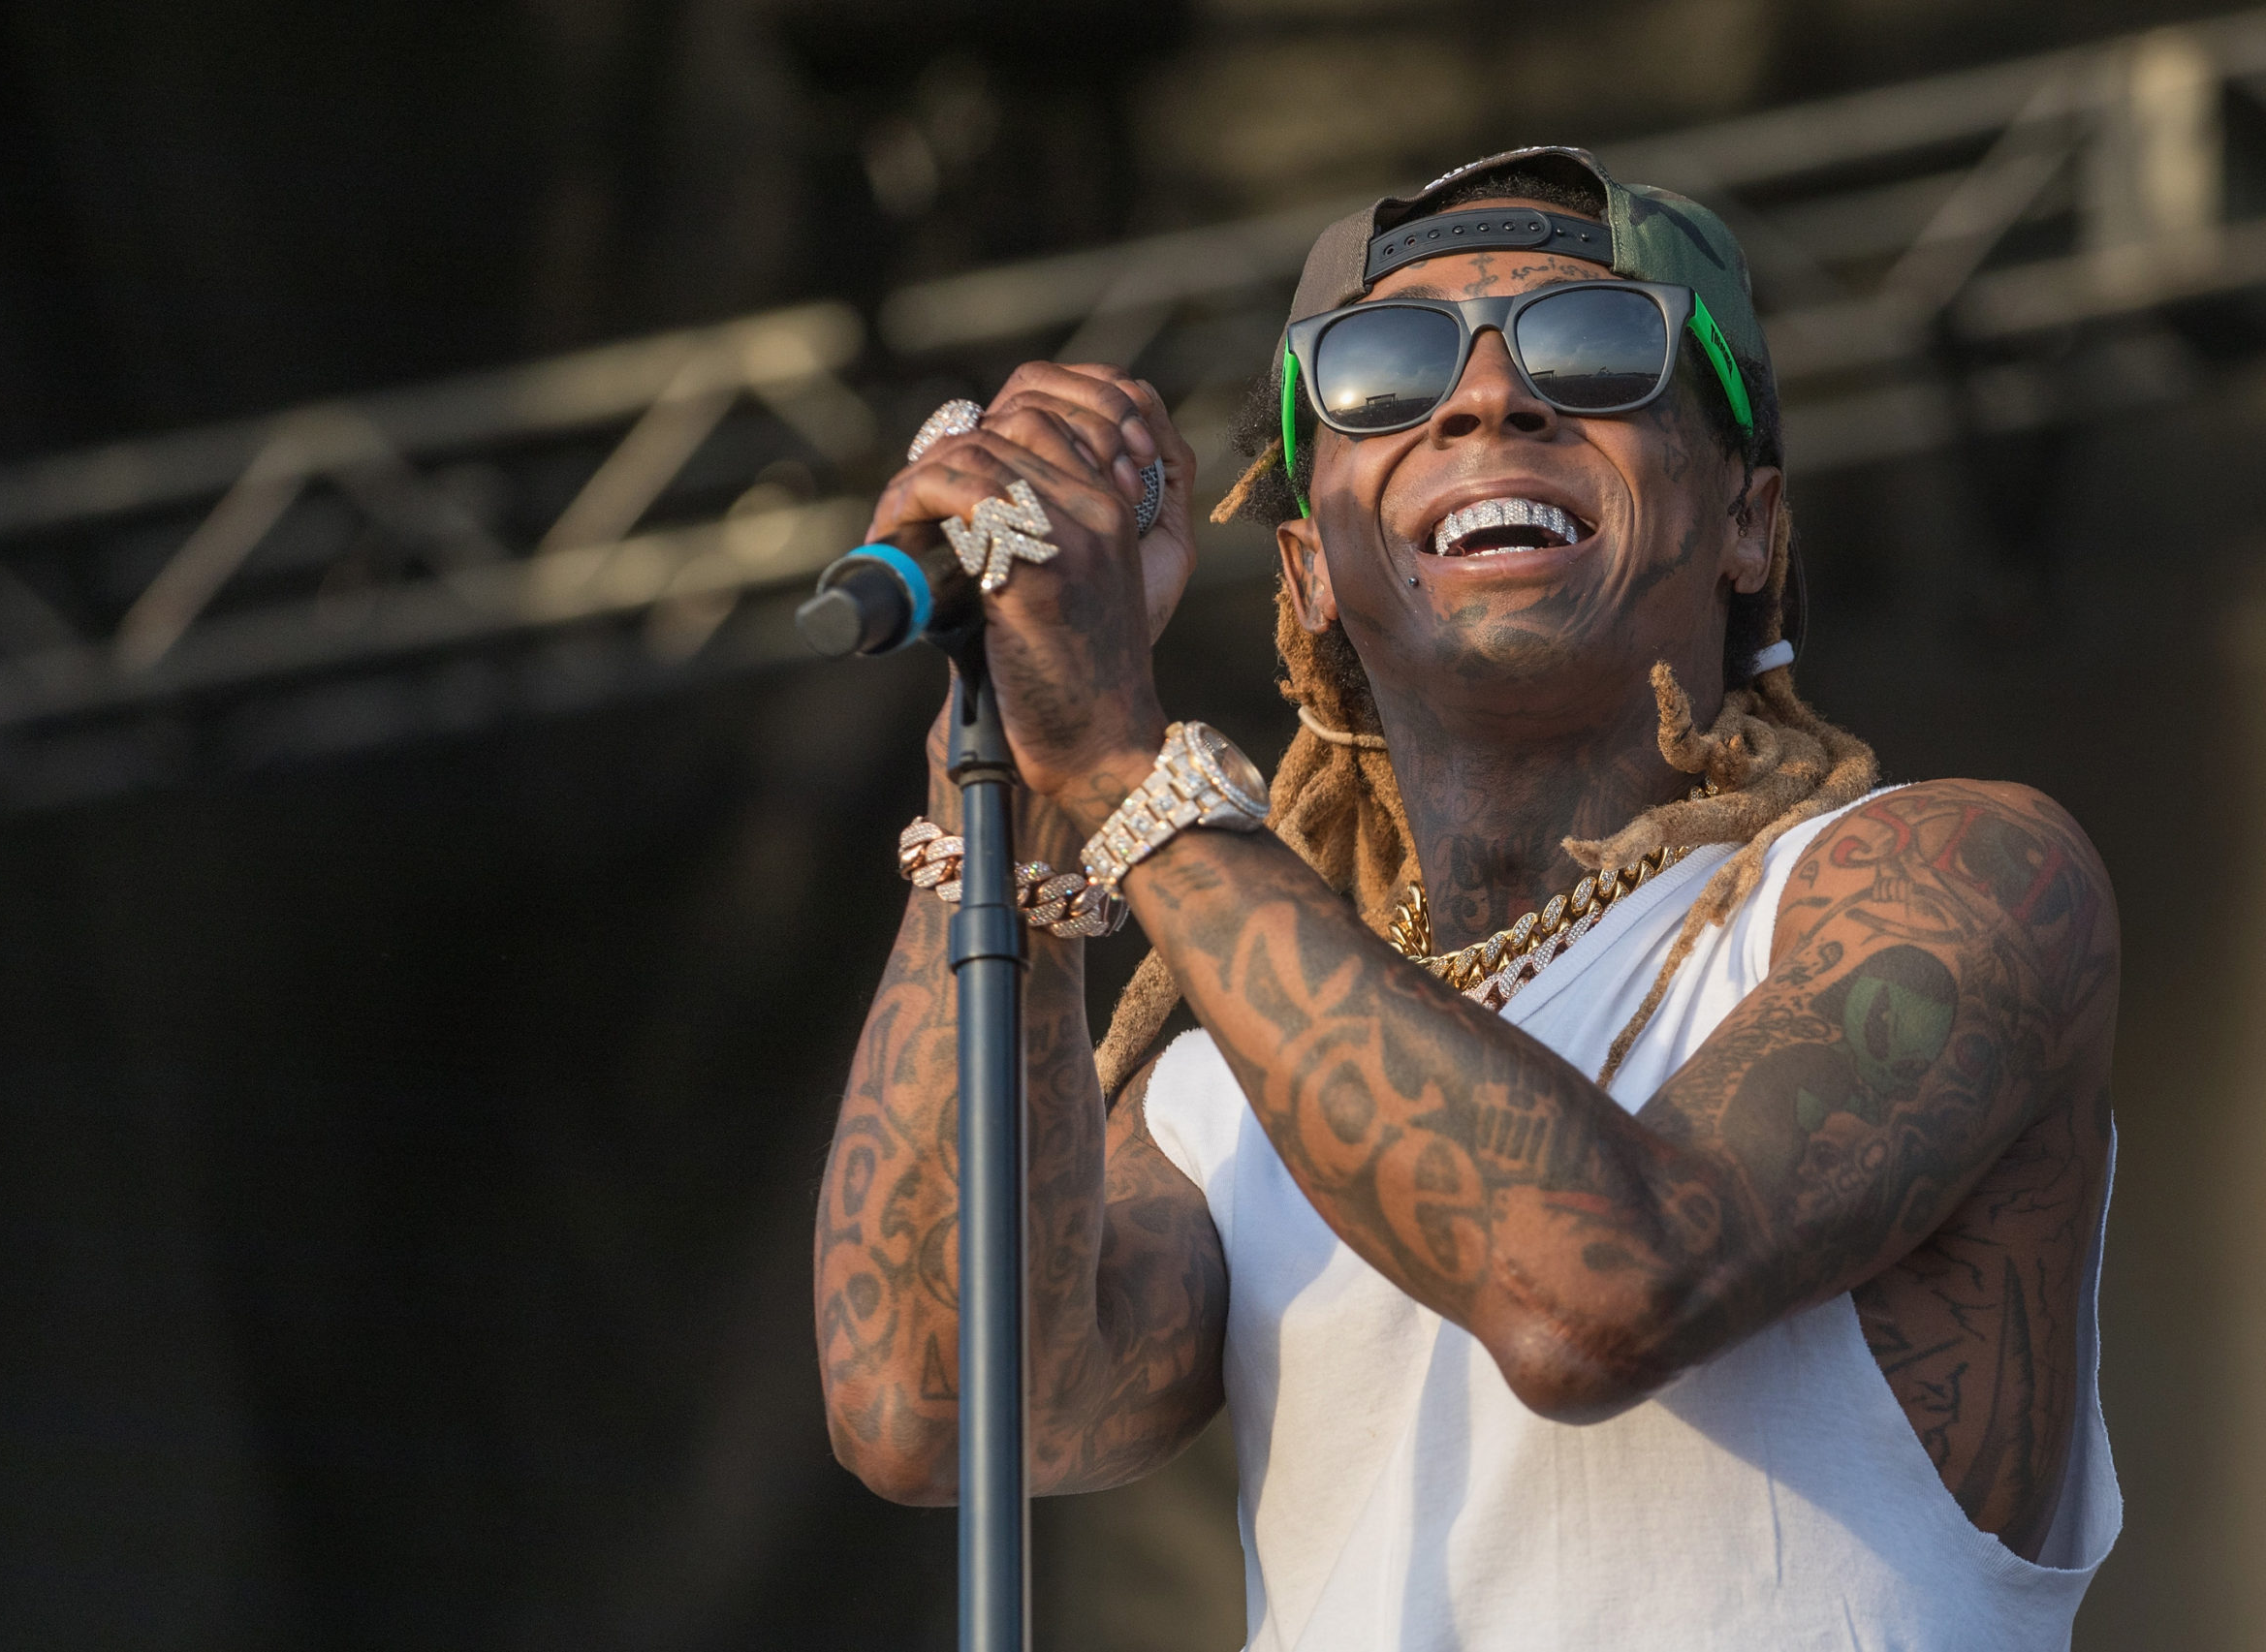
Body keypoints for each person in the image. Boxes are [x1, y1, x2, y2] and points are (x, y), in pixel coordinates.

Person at [813, 145, 2119, 1648]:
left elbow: (1593, 1296)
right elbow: (934, 1409)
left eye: (1597, 348)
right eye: (1383, 373)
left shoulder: (1949, 879)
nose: (1489, 399)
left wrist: (1121, 766)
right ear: (1305, 572)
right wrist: (1011, 781)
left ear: (1753, 523)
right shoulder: (1229, 1095)